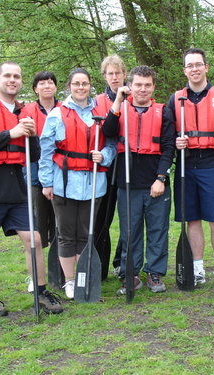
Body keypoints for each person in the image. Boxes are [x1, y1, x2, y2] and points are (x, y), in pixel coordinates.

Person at [0, 61, 63, 316]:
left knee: (35, 238)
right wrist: (12, 133)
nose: (12, 80)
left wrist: (30, 136)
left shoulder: (24, 113)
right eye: (7, 76)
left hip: (15, 186)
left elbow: (34, 154)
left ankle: (41, 292)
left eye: (17, 76)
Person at [39, 68, 116, 299]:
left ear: (90, 85)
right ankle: (70, 281)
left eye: (84, 83)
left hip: (93, 184)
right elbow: (46, 151)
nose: (81, 88)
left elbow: (112, 144)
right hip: (64, 183)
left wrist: (103, 156)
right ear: (69, 86)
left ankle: (84, 278)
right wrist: (46, 183)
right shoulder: (57, 114)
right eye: (76, 84)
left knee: (85, 233)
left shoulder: (101, 112)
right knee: (65, 235)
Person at [103, 65, 175, 294]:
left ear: (153, 87)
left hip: (156, 182)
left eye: (147, 85)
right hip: (128, 184)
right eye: (138, 85)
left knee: (157, 230)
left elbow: (168, 148)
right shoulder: (121, 108)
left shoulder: (163, 112)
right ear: (130, 86)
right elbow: (107, 131)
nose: (143, 90)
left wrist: (161, 178)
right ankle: (130, 274)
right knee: (130, 232)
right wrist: (118, 100)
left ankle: (154, 272)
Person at [168, 48, 214, 288]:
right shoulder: (175, 99)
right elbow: (168, 135)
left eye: (198, 64)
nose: (194, 69)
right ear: (184, 70)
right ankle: (197, 269)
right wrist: (176, 144)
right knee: (192, 220)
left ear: (206, 67)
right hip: (186, 165)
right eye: (190, 65)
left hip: (211, 164)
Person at [21, 72, 61, 294]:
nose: (47, 86)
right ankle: (35, 274)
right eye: (42, 83)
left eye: (51, 82)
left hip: (59, 175)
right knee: (37, 228)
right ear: (35, 88)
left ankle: (58, 271)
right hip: (35, 176)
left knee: (59, 226)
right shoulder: (28, 111)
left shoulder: (64, 108)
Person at [93, 55, 127, 279]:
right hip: (103, 166)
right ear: (104, 76)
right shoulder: (96, 101)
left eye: (118, 73)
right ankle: (100, 264)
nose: (114, 77)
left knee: (126, 218)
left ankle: (120, 261)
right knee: (102, 219)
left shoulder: (133, 97)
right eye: (110, 74)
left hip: (126, 165)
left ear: (124, 74)